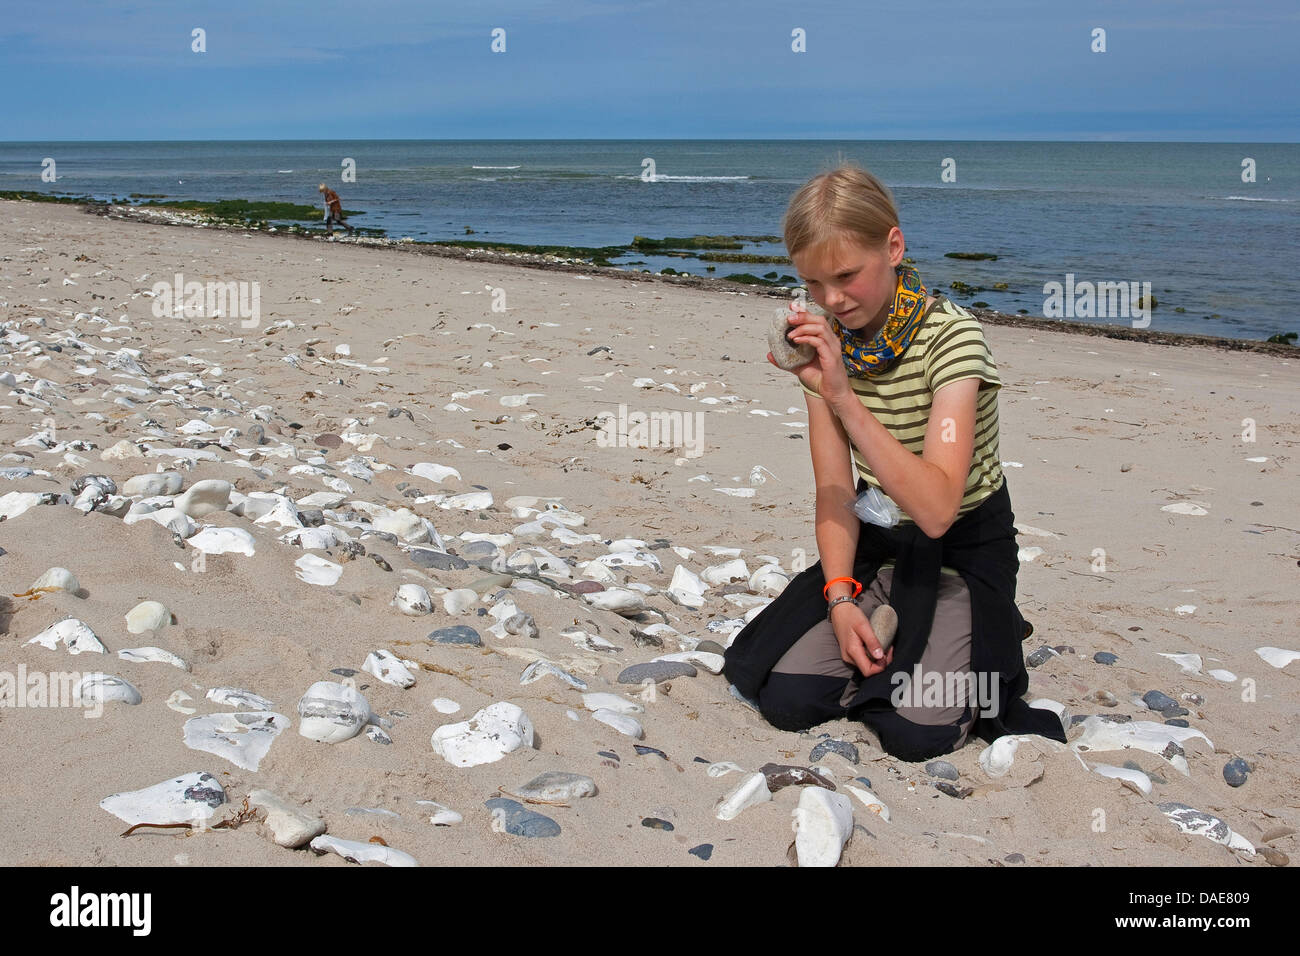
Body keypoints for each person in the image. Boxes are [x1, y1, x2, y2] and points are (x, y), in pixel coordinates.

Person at [722, 163, 1066, 762]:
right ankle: (892, 618)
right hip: (879, 543)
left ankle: (988, 625)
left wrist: (842, 396)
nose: (832, 299)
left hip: (961, 550)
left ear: (894, 246)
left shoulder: (953, 342)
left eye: (848, 275)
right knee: (787, 700)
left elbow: (935, 510)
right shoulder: (825, 344)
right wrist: (839, 598)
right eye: (813, 282)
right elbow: (835, 489)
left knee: (915, 734)